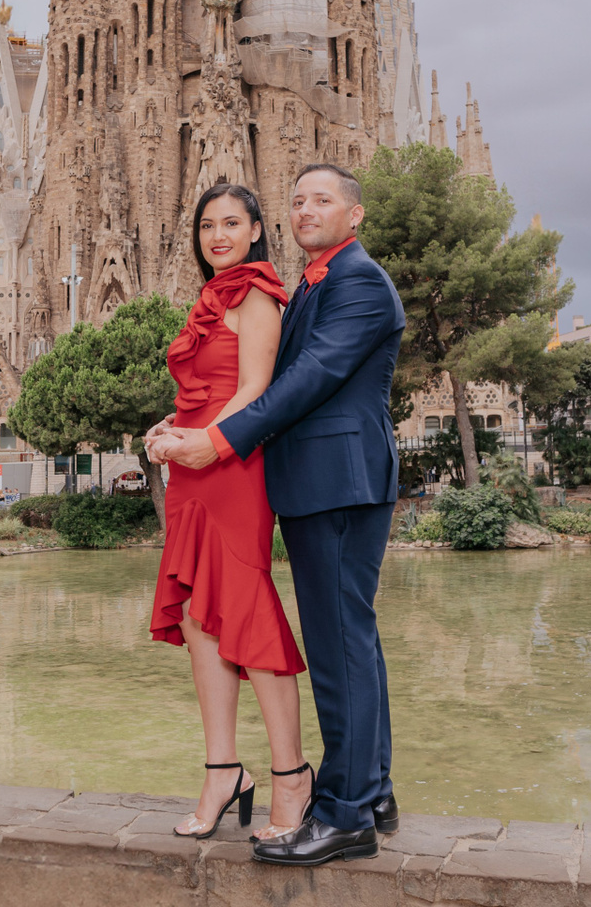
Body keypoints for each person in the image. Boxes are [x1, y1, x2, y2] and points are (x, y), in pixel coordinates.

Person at [152, 164, 405, 867]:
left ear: (354, 214)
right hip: (315, 480)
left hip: (339, 480)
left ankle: (346, 814)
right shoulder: (318, 282)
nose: (306, 210)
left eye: (322, 199)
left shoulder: (358, 282)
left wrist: (214, 440)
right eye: (298, 200)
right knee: (347, 641)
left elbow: (305, 381)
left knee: (339, 645)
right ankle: (372, 792)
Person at [143, 183, 311, 843]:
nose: (218, 235)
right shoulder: (209, 297)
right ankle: (223, 772)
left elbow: (255, 391)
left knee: (244, 609)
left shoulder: (257, 295)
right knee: (196, 614)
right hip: (191, 469)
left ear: (256, 229)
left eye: (232, 223)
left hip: (231, 466)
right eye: (207, 225)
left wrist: (200, 441)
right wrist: (169, 428)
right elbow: (202, 389)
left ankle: (292, 776)